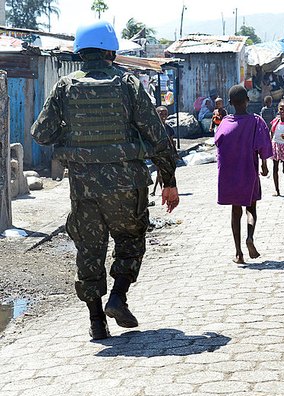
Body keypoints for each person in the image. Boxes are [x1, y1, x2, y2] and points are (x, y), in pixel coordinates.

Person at [30, 20, 179, 340]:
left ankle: (97, 322)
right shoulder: (129, 85)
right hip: (127, 186)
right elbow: (157, 136)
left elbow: (40, 134)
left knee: (89, 250)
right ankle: (118, 297)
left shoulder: (65, 86)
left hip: (84, 189)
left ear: (80, 53)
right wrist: (169, 180)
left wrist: (68, 137)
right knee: (130, 240)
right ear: (112, 51)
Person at [214, 85, 273, 264]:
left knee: (235, 211)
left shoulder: (225, 122)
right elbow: (263, 144)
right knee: (251, 209)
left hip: (230, 174)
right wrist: (263, 164)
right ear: (248, 100)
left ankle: (239, 253)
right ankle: (250, 237)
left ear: (230, 103)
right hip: (249, 170)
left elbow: (218, 142)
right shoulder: (256, 121)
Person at [152, 106, 179, 196]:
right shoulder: (154, 128)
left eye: (165, 114)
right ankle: (160, 189)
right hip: (158, 154)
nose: (163, 116)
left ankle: (168, 187)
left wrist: (175, 153)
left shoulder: (169, 128)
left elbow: (171, 141)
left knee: (170, 171)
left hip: (168, 154)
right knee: (159, 172)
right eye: (161, 114)